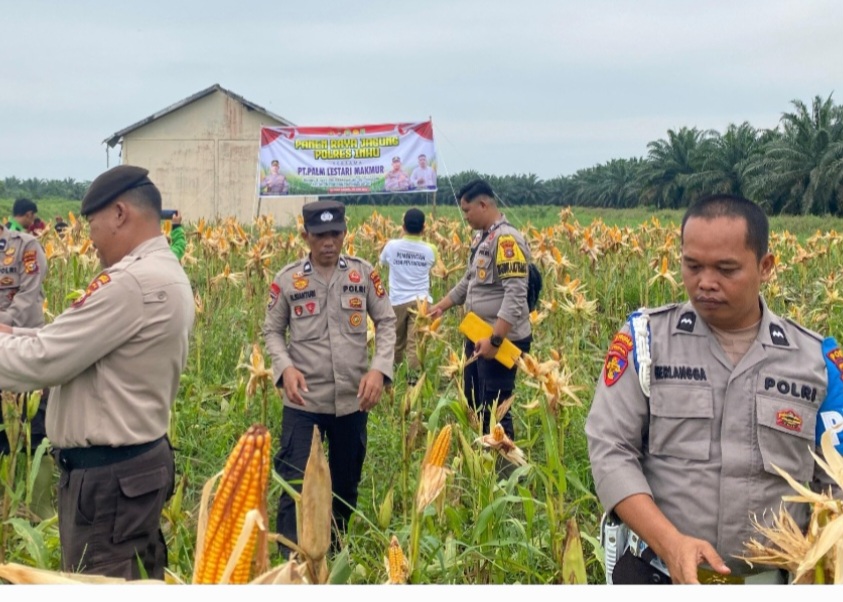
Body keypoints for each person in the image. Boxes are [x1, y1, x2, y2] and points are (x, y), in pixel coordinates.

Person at [585, 193, 843, 585]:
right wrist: (670, 543)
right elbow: (610, 449)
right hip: (657, 573)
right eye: (692, 266)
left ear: (766, 267)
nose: (705, 283)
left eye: (726, 269)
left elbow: (835, 483)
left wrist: (822, 564)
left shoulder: (819, 362)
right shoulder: (645, 340)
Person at [0, 165, 195, 579]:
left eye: (91, 224)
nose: (89, 240)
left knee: (98, 582)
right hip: (130, 473)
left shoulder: (131, 282)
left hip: (109, 483)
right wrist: (12, 332)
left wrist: (20, 342)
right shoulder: (164, 271)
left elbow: (44, 359)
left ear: (120, 214)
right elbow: (69, 341)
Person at [263, 199, 396, 557]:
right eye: (320, 235)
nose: (328, 242)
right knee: (295, 484)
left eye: (335, 234)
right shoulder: (288, 279)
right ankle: (292, 563)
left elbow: (386, 321)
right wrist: (284, 367)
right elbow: (272, 330)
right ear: (305, 235)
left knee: (345, 487)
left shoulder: (362, 274)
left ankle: (332, 556)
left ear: (345, 232)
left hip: (351, 401)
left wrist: (379, 369)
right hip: (304, 402)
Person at [427, 179, 532, 442]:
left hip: (500, 339)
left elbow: (515, 293)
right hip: (478, 334)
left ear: (483, 205)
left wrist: (495, 340)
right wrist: (441, 306)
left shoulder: (506, 240)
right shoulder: (482, 238)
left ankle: (502, 461)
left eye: (467, 210)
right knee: (474, 401)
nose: (465, 217)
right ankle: (482, 456)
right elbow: (469, 280)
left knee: (496, 409)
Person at [0, 220, 52, 520]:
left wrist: (3, 326)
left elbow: (28, 297)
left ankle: (40, 513)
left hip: (24, 352)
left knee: (37, 434)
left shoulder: (24, 247)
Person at [378, 207, 437, 383]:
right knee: (415, 343)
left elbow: (382, 262)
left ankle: (393, 379)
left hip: (397, 301)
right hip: (422, 303)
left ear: (403, 227)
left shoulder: (391, 246)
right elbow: (434, 266)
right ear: (424, 228)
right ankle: (413, 382)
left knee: (396, 342)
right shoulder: (430, 249)